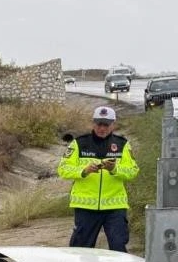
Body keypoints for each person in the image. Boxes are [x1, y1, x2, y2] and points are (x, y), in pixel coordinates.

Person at [57, 106, 140, 252]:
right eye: (99, 124)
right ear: (93, 123)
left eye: (106, 125)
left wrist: (114, 169)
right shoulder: (79, 143)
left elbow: (133, 171)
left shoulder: (122, 144)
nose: (102, 128)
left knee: (118, 247)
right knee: (81, 250)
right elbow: (63, 169)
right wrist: (84, 171)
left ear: (113, 125)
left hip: (114, 207)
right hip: (86, 207)